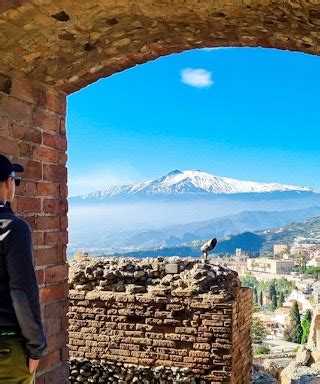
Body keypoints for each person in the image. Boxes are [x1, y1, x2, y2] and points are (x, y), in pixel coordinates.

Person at [0, 154, 47, 383]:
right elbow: (21, 294)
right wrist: (36, 347)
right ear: (8, 183)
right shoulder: (13, 228)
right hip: (6, 350)